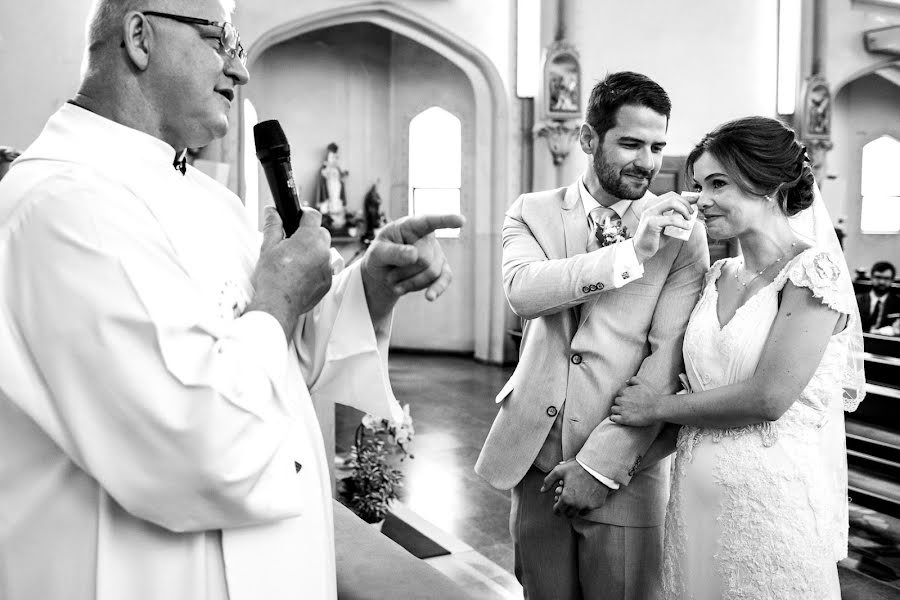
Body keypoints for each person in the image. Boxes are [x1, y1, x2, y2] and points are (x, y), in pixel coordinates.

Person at [0, 2, 462, 599]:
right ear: (140, 36)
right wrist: (279, 299)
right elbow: (195, 444)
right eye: (223, 40)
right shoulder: (61, 205)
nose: (240, 71)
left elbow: (281, 365)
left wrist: (372, 283)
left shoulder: (209, 201)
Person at [475, 71, 709, 599]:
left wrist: (600, 465)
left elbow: (668, 359)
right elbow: (523, 293)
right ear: (587, 139)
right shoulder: (531, 211)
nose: (647, 162)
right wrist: (630, 254)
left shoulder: (680, 228)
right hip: (533, 455)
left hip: (624, 466)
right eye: (630, 143)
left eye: (657, 146)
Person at [610, 116, 866, 599]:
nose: (701, 200)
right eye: (699, 185)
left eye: (718, 183)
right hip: (695, 504)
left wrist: (654, 408)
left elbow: (768, 398)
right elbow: (692, 391)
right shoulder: (717, 275)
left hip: (773, 509)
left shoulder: (813, 273)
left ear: (767, 183)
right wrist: (607, 467)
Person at [857, 261, 899, 335]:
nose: (882, 282)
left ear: (892, 280)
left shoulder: (898, 303)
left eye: (886, 278)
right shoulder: (857, 301)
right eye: (878, 277)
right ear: (871, 277)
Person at [317, 142, 349, 230]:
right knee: (331, 199)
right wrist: (328, 169)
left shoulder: (337, 167)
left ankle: (338, 221)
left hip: (337, 185)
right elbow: (323, 175)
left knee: (337, 199)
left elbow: (340, 176)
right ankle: (329, 220)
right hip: (330, 184)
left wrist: (343, 176)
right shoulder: (326, 165)